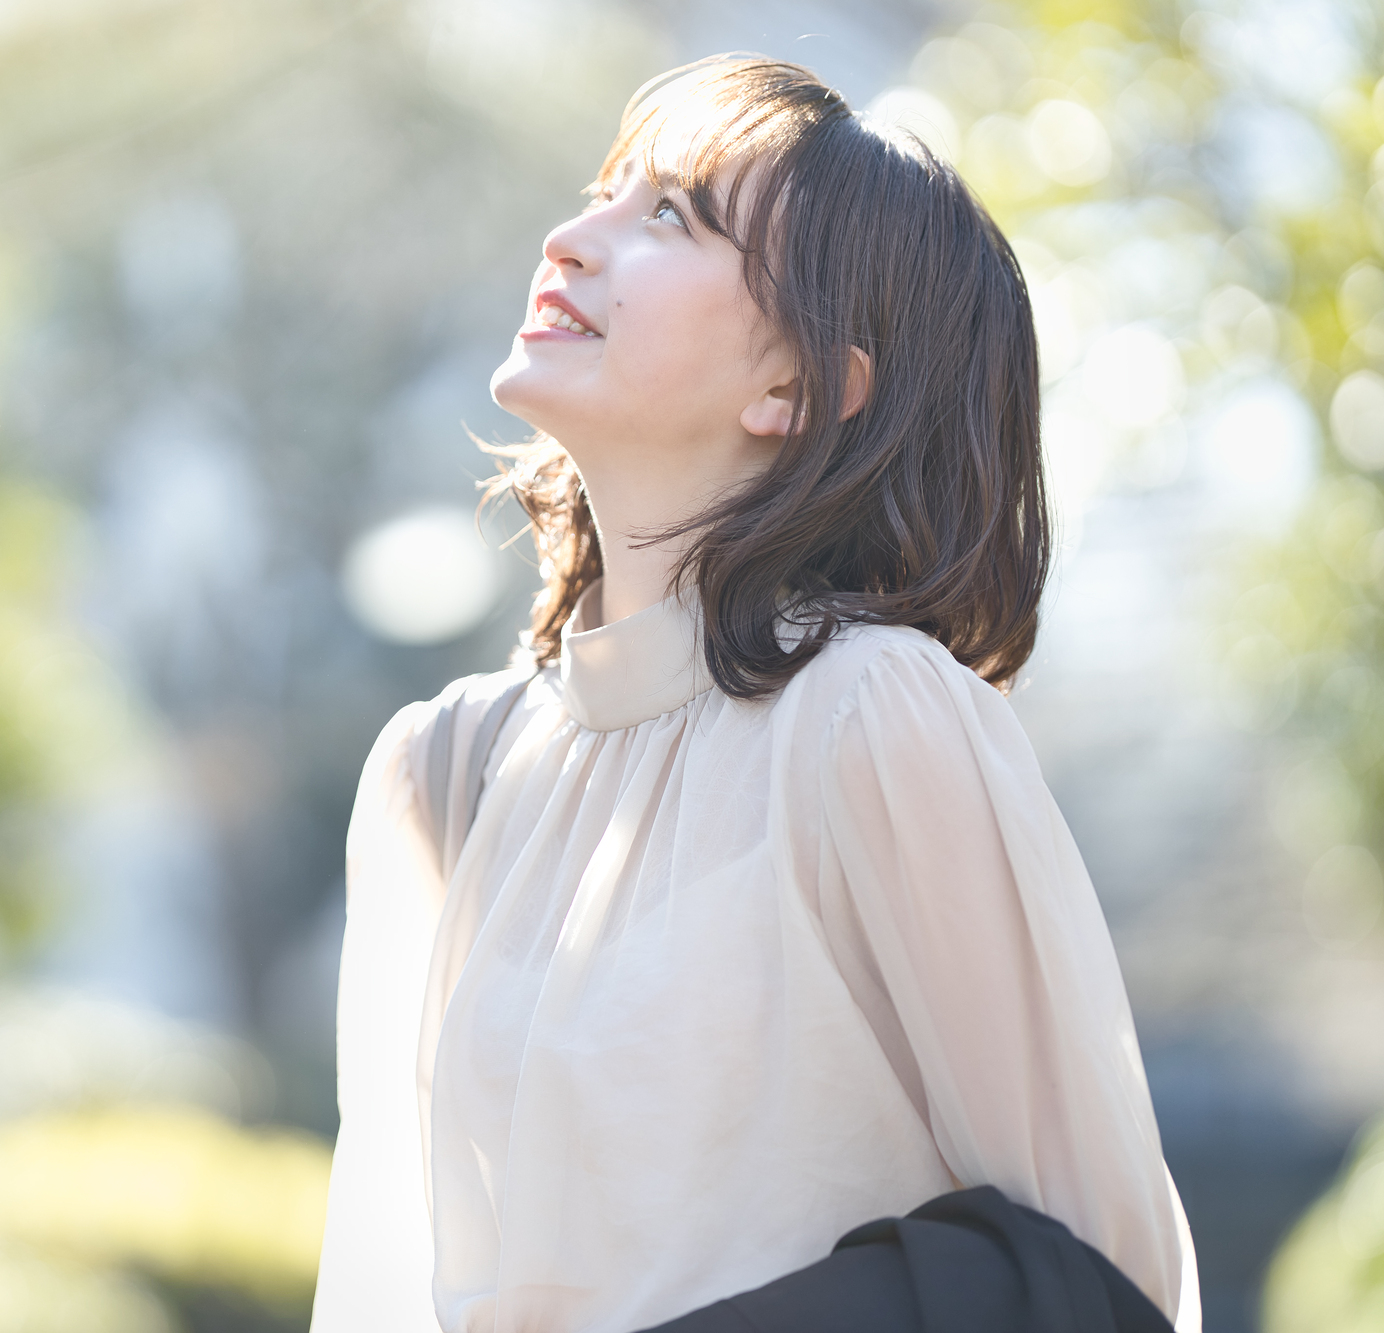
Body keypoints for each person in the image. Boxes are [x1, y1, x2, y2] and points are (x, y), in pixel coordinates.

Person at [309, 55, 1200, 1333]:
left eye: (670, 217)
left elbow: (1094, 1275)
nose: (568, 240)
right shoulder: (440, 773)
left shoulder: (872, 716)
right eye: (603, 193)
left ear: (800, 388)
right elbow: (381, 1283)